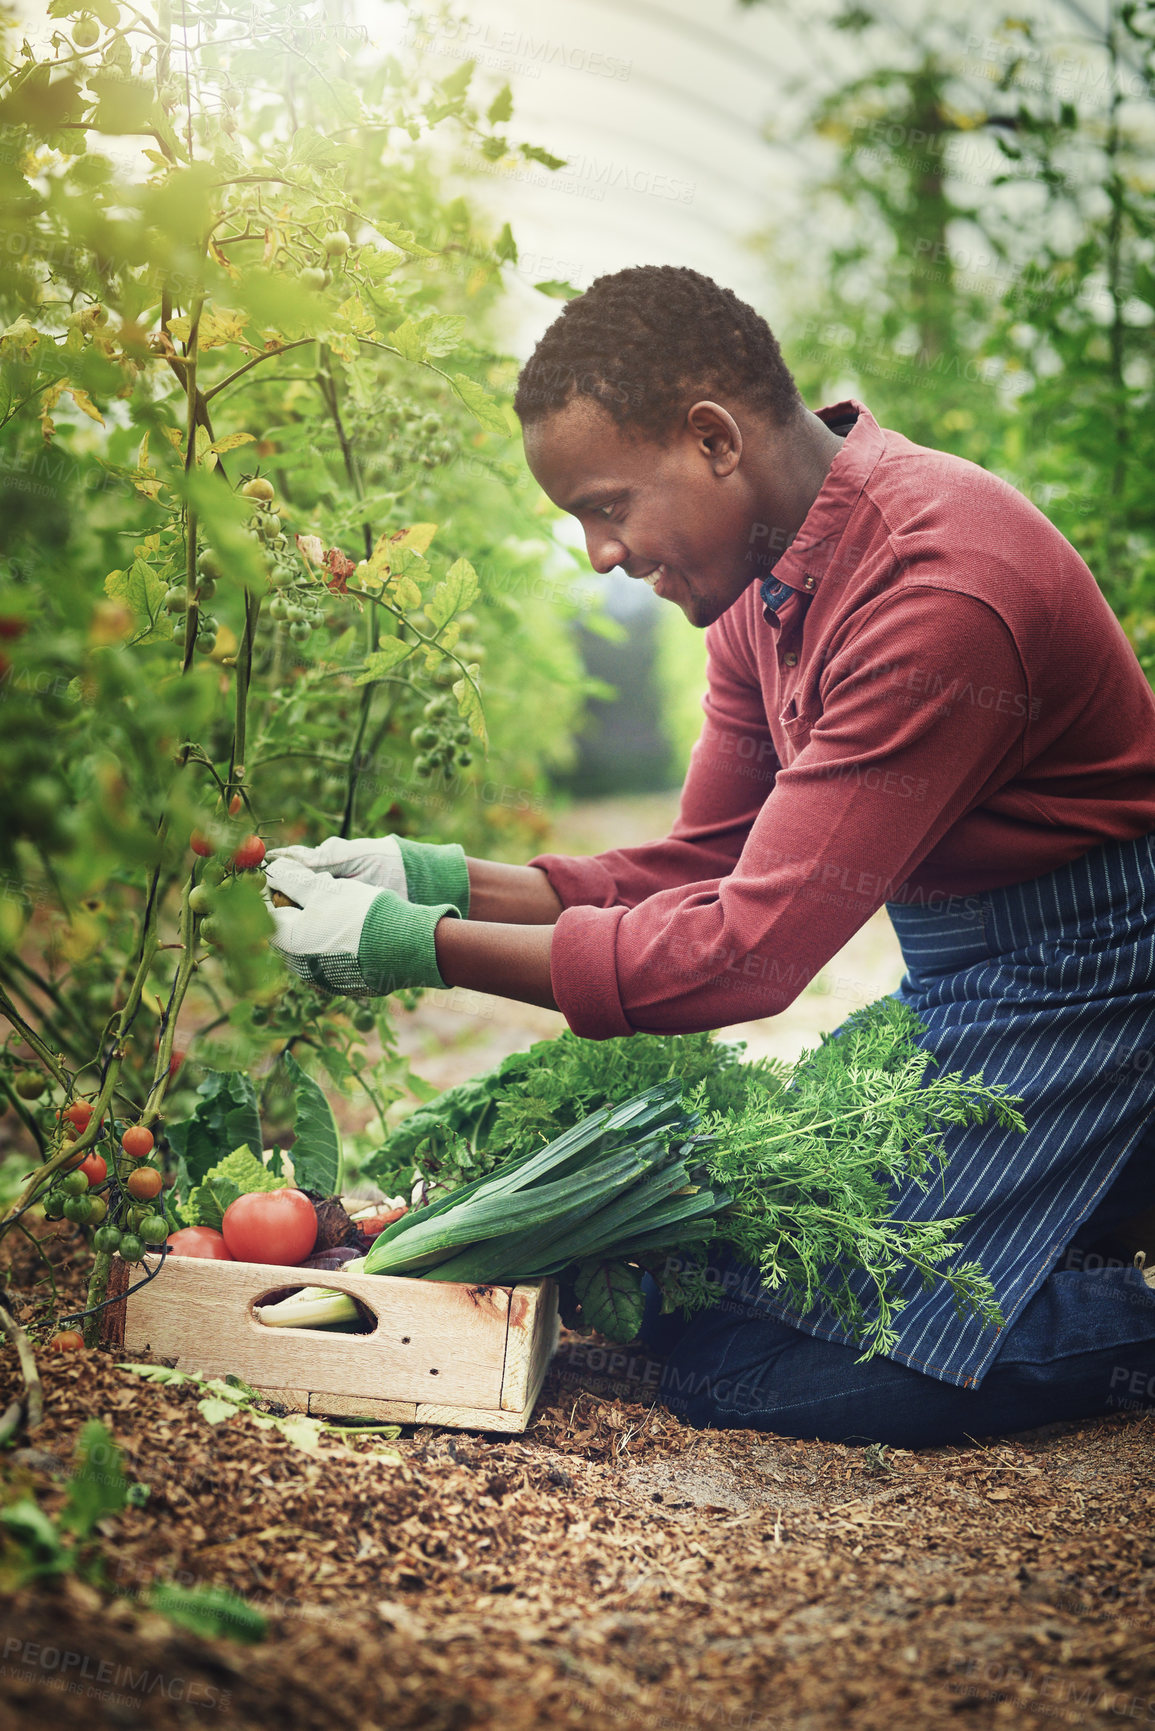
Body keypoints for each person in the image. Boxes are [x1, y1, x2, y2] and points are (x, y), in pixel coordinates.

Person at [265, 266, 1155, 1448]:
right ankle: (1079, 1218)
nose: (596, 552)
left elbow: (744, 956)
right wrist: (431, 877)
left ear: (713, 440)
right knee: (704, 1309)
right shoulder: (758, 586)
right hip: (974, 984)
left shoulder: (936, 593)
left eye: (607, 504)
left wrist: (414, 949)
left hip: (1102, 981)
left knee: (786, 1371)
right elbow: (709, 858)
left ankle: (1117, 1297)